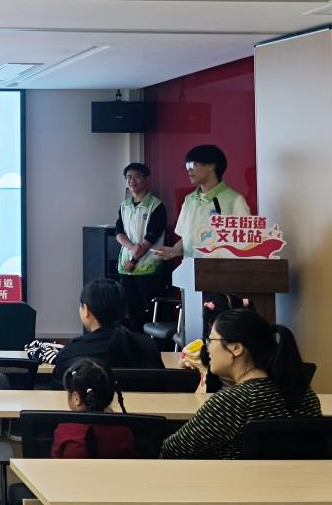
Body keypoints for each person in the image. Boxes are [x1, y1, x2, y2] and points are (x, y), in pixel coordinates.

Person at [160, 308, 320, 459]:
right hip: (300, 479)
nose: (207, 348)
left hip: (234, 479)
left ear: (236, 348)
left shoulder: (231, 401)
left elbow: (171, 451)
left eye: (211, 340)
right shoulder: (304, 394)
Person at [152, 144, 251, 342]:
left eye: (193, 164)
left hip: (221, 280)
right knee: (192, 334)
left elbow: (244, 240)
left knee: (216, 334)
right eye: (186, 165)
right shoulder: (189, 200)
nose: (188, 170)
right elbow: (186, 237)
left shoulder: (233, 200)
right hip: (190, 277)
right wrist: (173, 250)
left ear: (211, 166)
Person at [8, 358, 134, 505]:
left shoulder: (66, 429)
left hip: (64, 497)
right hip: (114, 497)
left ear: (76, 398)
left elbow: (55, 469)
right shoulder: (124, 431)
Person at [53, 279, 163, 383]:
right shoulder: (148, 346)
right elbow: (161, 385)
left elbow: (60, 392)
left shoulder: (70, 352)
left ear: (86, 310)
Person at [114, 163, 168, 331]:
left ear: (147, 180)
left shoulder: (156, 206)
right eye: (128, 177)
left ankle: (156, 345)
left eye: (137, 176)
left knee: (154, 313)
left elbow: (151, 237)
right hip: (126, 269)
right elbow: (118, 232)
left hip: (149, 268)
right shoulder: (124, 205)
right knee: (131, 312)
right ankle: (136, 343)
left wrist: (133, 259)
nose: (132, 180)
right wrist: (131, 248)